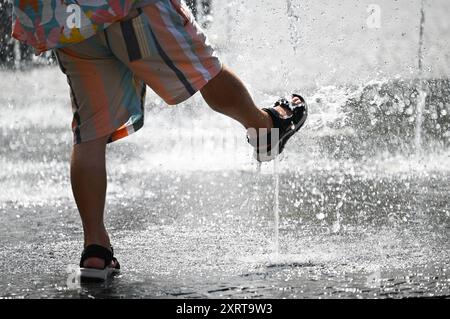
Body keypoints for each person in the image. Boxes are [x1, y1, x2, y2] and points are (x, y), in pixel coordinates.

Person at [12, 0, 307, 281]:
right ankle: (265, 128)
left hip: (65, 18)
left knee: (89, 132)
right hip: (130, 8)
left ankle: (95, 248)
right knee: (204, 70)